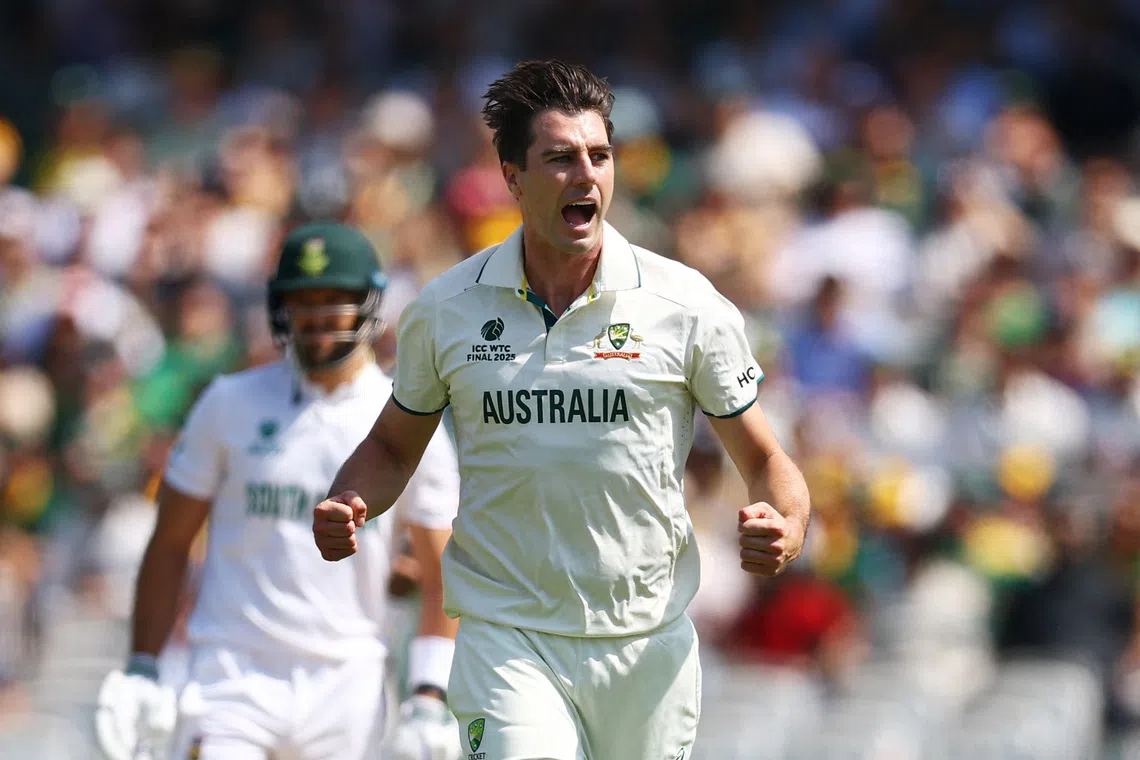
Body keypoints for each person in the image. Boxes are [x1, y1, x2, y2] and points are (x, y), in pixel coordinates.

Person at [313, 61, 812, 760]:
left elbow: (764, 457)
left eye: (599, 156)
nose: (586, 175)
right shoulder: (446, 309)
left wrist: (786, 523)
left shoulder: (685, 304)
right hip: (506, 633)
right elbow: (394, 447)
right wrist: (350, 497)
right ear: (513, 178)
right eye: (560, 158)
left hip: (646, 641)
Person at [96, 222, 464, 760]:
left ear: (368, 304)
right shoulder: (228, 403)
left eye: (333, 299)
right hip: (231, 674)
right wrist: (142, 666)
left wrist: (429, 694)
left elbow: (443, 571)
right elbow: (170, 541)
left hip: (349, 680)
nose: (315, 316)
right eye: (302, 299)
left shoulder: (407, 419)